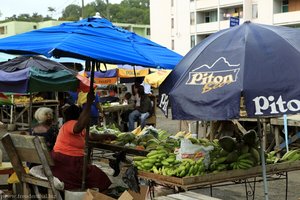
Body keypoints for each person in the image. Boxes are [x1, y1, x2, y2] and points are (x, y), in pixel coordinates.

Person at [51, 93, 116, 191]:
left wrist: (108, 136)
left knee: (93, 172)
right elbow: (79, 126)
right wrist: (89, 103)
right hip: (67, 163)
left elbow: (92, 136)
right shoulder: (70, 124)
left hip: (67, 163)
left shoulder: (73, 127)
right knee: (96, 174)